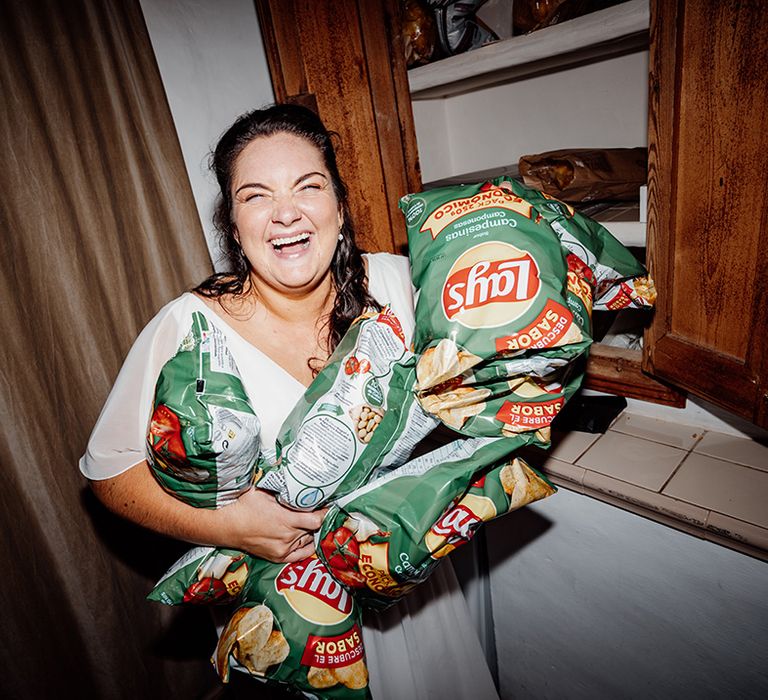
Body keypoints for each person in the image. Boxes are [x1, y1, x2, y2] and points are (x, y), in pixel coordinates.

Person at [80, 104, 499, 699]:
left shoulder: (400, 286)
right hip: (289, 612)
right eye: (256, 196)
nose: (286, 213)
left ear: (339, 205)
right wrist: (235, 524)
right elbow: (109, 473)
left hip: (414, 591)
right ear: (233, 225)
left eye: (309, 186)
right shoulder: (189, 329)